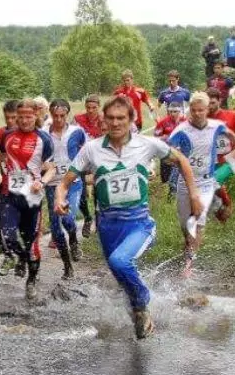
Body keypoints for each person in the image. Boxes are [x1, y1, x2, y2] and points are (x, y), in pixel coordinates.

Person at [55, 97, 201, 338]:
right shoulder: (92, 149)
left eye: (121, 118)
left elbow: (182, 160)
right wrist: (60, 197)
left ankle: (144, 303)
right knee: (121, 275)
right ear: (104, 120)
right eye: (110, 118)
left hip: (139, 224)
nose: (115, 123)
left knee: (120, 262)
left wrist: (194, 194)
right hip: (108, 227)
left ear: (131, 120)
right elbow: (65, 182)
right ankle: (139, 317)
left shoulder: (147, 144)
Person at [167, 92, 235, 276]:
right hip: (185, 182)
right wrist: (173, 158)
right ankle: (188, 247)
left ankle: (189, 264)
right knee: (185, 223)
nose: (197, 114)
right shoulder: (181, 130)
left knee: (198, 220)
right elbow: (166, 150)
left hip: (205, 181)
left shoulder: (216, 126)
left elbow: (231, 135)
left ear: (207, 110)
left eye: (201, 110)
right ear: (189, 110)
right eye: (194, 110)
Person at [0, 99, 55, 297]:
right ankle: (20, 258)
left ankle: (31, 281)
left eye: (28, 117)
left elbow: (51, 168)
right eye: (20, 117)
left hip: (33, 199)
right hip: (11, 196)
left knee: (32, 246)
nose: (23, 120)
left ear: (36, 116)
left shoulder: (43, 139)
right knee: (8, 234)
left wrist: (43, 182)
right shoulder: (7, 136)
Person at [41, 99, 87, 279]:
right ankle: (67, 265)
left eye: (62, 116)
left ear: (67, 114)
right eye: (55, 116)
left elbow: (87, 150)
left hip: (72, 182)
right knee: (55, 228)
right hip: (52, 184)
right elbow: (37, 156)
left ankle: (74, 241)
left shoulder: (77, 132)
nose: (59, 119)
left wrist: (86, 169)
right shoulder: (43, 133)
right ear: (51, 115)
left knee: (67, 218)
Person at [0, 99, 21, 266]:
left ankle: (26, 257)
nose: (10, 121)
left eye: (14, 118)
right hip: (3, 186)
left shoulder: (30, 134)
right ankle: (8, 254)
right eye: (7, 117)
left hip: (24, 189)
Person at [73, 94, 104, 237]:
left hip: (99, 160)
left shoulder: (104, 120)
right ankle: (87, 218)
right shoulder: (78, 119)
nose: (91, 110)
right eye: (88, 107)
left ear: (99, 107)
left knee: (100, 193)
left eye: (94, 108)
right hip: (81, 160)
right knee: (80, 193)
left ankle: (99, 226)